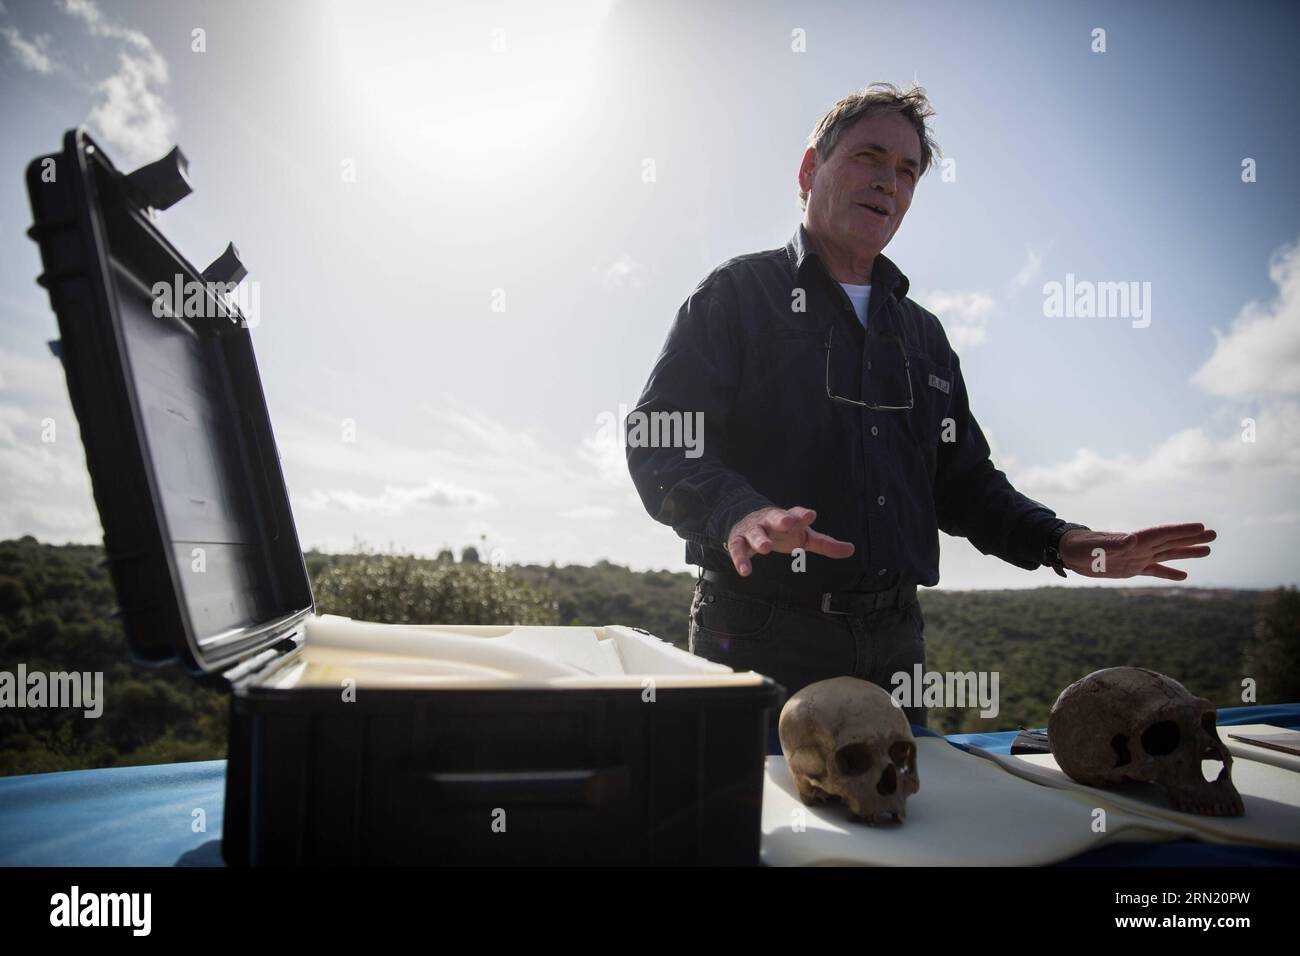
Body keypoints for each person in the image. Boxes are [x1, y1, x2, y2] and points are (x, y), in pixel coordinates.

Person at [625, 83, 1215, 749]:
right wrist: (739, 510)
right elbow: (660, 439)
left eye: (907, 171)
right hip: (760, 633)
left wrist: (1063, 542)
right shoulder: (735, 297)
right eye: (869, 158)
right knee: (755, 831)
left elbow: (964, 484)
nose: (889, 182)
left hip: (896, 642)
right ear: (809, 169)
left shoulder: (923, 336)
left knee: (898, 825)